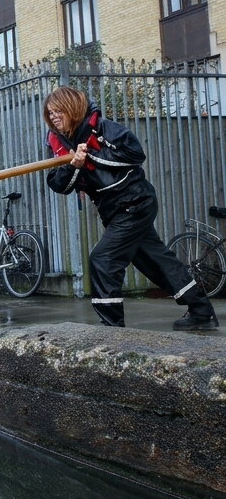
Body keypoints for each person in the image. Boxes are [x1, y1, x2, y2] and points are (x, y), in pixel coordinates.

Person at [43, 85, 217, 330]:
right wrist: (73, 165)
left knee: (103, 259)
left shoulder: (104, 128)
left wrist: (90, 155)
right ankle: (201, 311)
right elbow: (58, 185)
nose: (54, 117)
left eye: (58, 111)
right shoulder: (56, 142)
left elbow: (135, 154)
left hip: (135, 202)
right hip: (111, 209)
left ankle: (112, 326)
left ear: (73, 109)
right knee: (155, 261)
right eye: (50, 113)